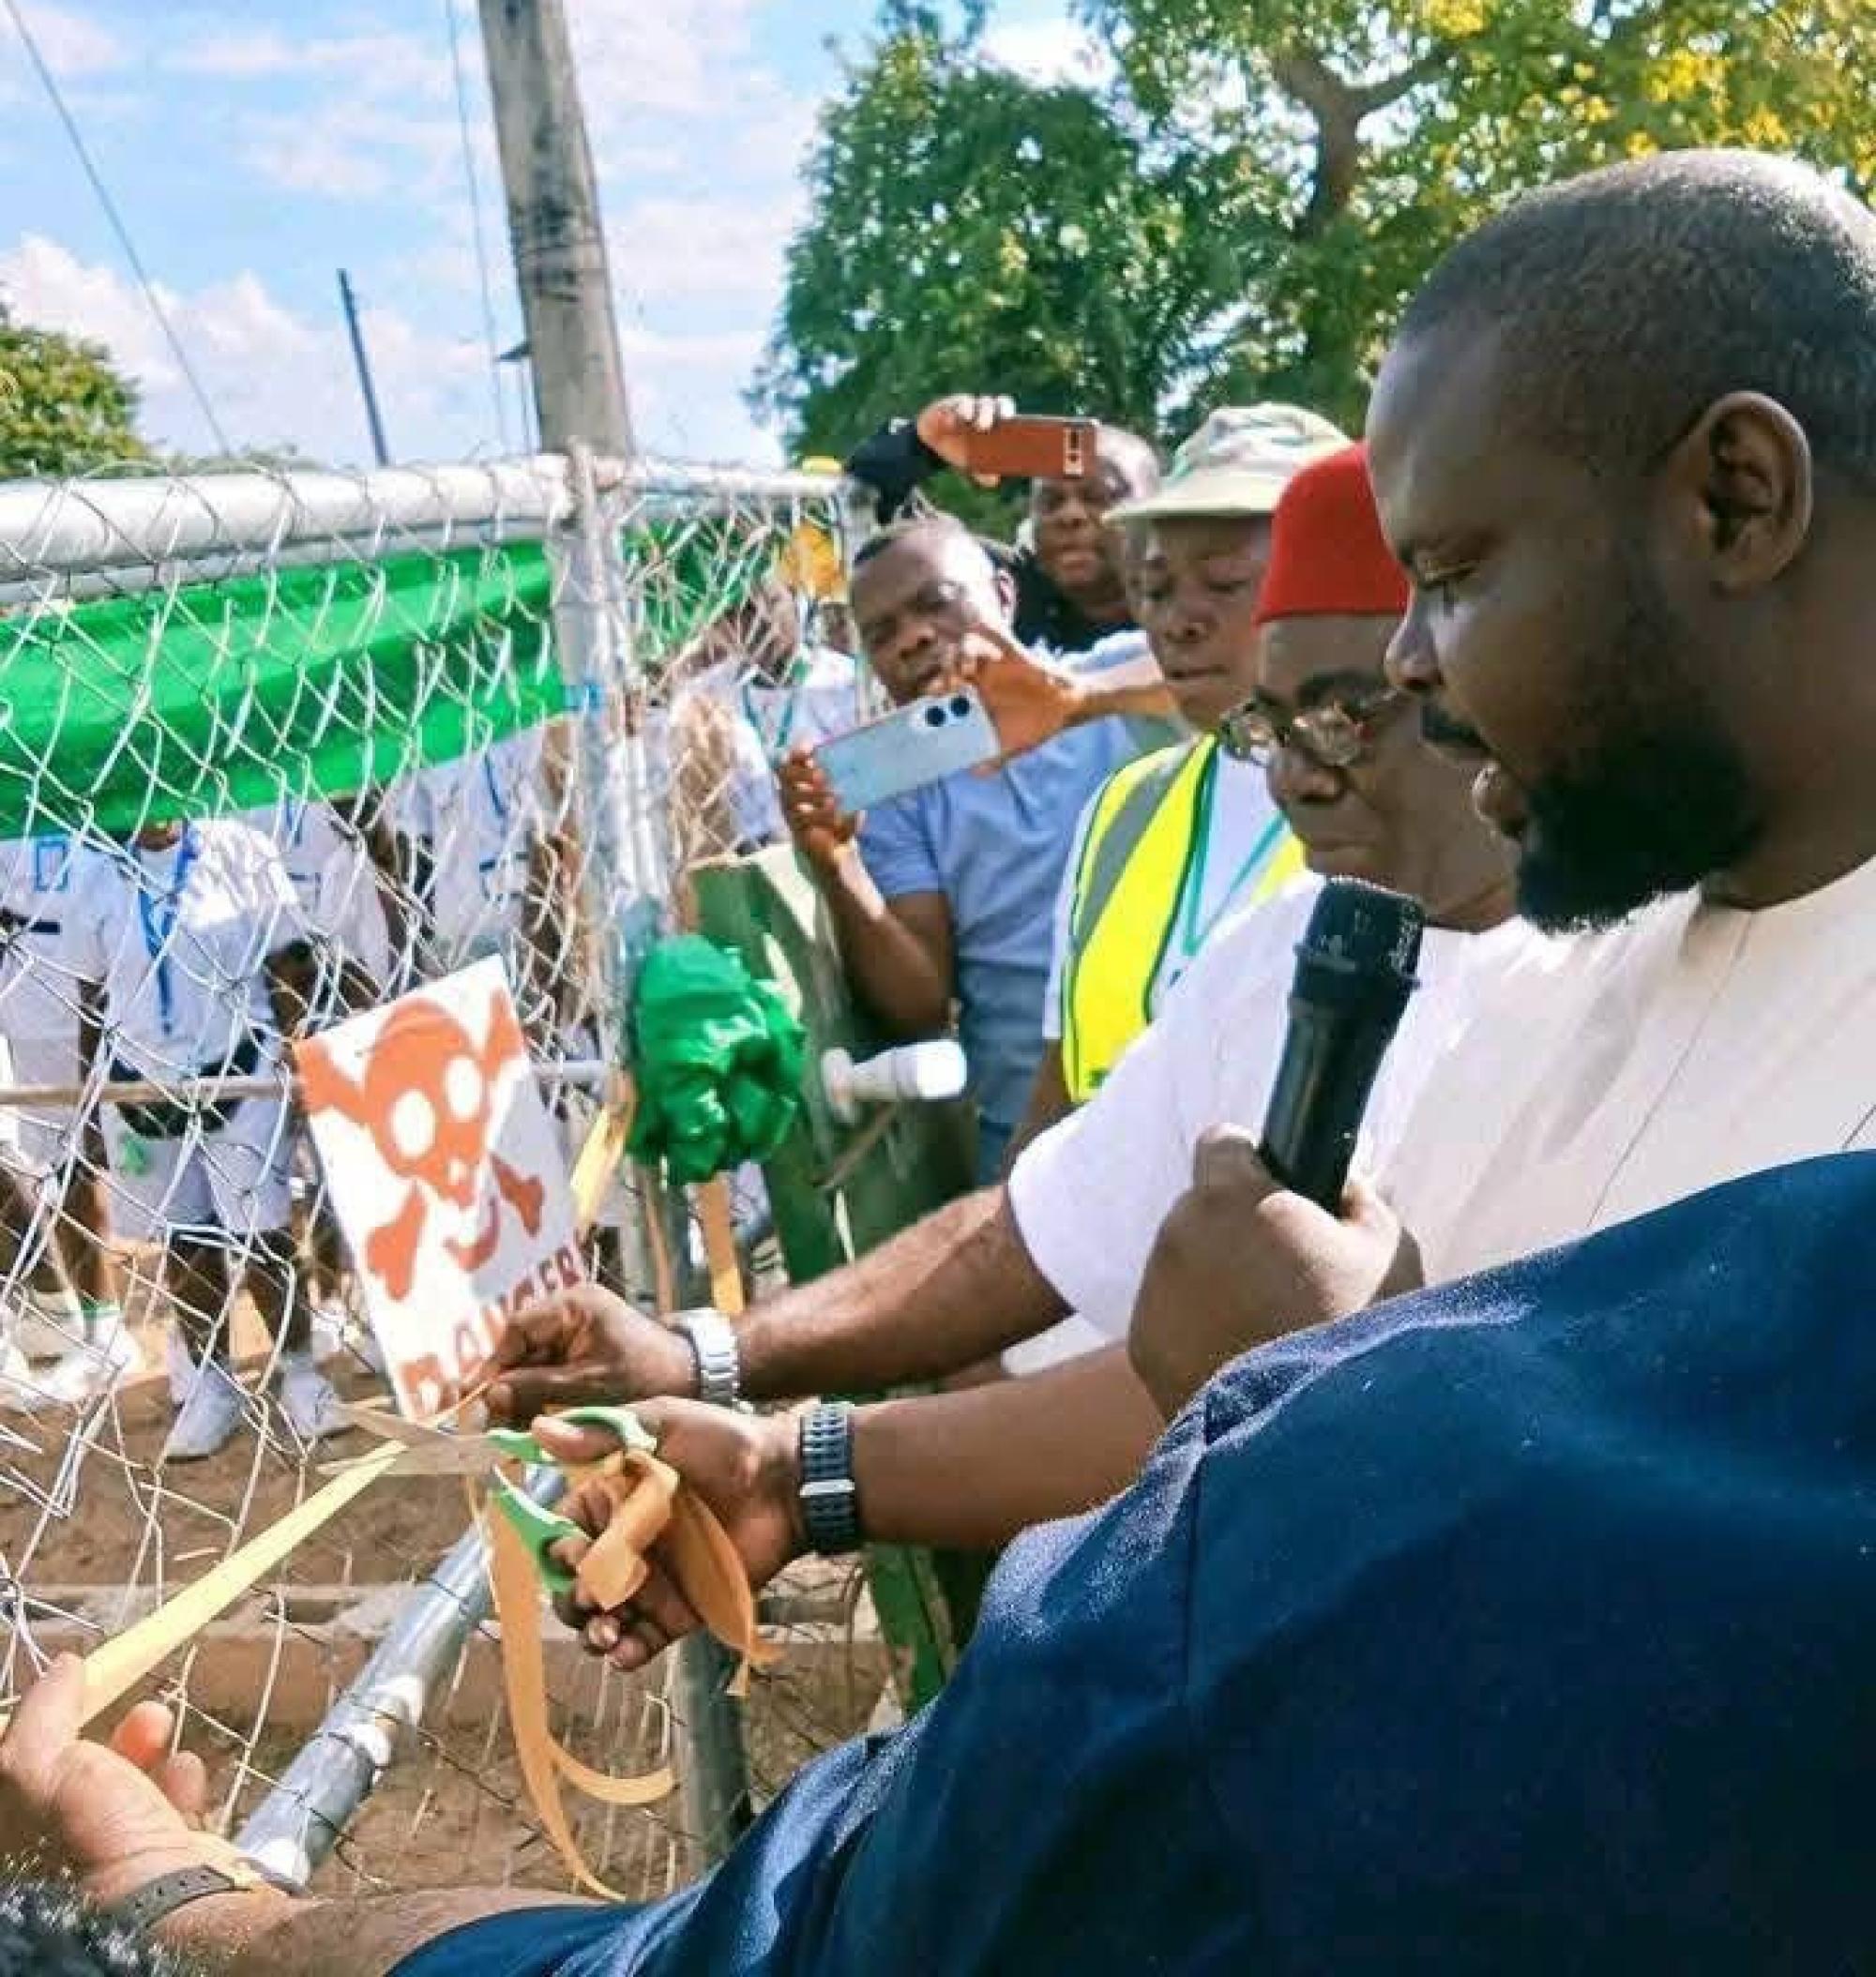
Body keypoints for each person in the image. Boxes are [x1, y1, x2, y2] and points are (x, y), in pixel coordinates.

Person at [12, 1156, 1876, 1972]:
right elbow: (1086, 1283)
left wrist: (192, 1910)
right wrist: (791, 1458)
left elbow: (804, 1944)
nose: (1397, 657)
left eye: (1452, 571)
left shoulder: (1270, 1650)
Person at [486, 447, 1541, 1554]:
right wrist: (707, 1366)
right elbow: (1043, 1228)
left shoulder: (1630, 981)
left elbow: (1223, 1392)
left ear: (1461, 673)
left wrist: (792, 1471)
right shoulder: (1279, 945)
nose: (1289, 775)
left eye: (1339, 716)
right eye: (1266, 728)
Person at [778, 513, 1177, 1181]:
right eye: (881, 635)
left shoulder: (1116, 677)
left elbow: (1246, 676)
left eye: (935, 604)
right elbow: (921, 1005)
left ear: (1005, 595)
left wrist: (1079, 702)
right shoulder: (901, 793)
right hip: (1040, 1143)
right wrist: (837, 861)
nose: (913, 639)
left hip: (1187, 1093)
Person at [1009, 403, 1349, 1163]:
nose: (1178, 621)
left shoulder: (1429, 800)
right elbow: (1060, 1098)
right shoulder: (1124, 809)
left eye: (1225, 583)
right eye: (1156, 589)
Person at [61, 816, 357, 1459]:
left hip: (239, 1064)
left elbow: (290, 960)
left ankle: (299, 1373)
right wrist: (92, 1102)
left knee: (262, 1232)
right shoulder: (92, 874)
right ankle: (213, 1385)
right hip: (145, 1085)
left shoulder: (238, 850)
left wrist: (297, 1047)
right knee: (185, 1241)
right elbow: (91, 997)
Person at [844, 394, 1161, 652]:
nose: (1070, 515)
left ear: (1157, 509)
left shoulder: (1198, 604)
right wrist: (921, 446)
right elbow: (871, 513)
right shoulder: (997, 589)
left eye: (1098, 496)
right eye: (1050, 502)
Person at [0, 828, 130, 1406]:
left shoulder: (82, 782)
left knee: (76, 1155)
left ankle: (104, 1331)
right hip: (17, 972)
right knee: (35, 1151)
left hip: (75, 976)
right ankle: (57, 1309)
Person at [667, 576, 861, 854]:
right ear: (720, 625)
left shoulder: (847, 684)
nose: (765, 622)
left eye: (773, 602)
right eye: (745, 611)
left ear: (795, 601)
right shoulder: (704, 699)